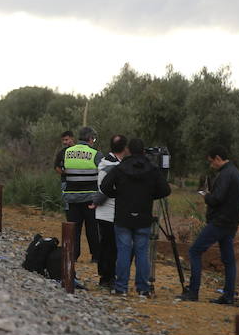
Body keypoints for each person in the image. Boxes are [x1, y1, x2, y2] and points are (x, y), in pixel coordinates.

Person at [100, 138, 170, 296]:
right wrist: (150, 196)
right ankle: (143, 288)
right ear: (143, 151)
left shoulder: (120, 168)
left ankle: (121, 287)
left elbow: (104, 186)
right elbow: (166, 190)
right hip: (143, 215)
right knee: (142, 253)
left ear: (128, 150)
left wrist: (117, 194)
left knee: (123, 251)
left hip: (123, 215)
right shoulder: (152, 169)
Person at [179, 145, 239, 305]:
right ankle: (228, 296)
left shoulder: (225, 175)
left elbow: (217, 199)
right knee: (229, 260)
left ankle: (193, 292)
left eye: (211, 162)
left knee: (195, 251)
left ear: (217, 158)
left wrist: (206, 196)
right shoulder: (237, 174)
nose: (211, 165)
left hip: (219, 222)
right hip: (231, 223)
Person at [62, 126, 103, 262]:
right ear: (90, 139)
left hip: (71, 197)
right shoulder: (95, 154)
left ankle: (73, 255)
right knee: (92, 229)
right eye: (94, 139)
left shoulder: (67, 152)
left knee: (74, 229)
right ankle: (96, 256)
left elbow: (63, 170)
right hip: (90, 198)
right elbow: (103, 174)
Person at [92, 134, 127, 290]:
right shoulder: (113, 165)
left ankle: (105, 276)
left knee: (106, 245)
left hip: (104, 212)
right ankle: (107, 278)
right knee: (110, 247)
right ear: (125, 148)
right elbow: (108, 189)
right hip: (109, 212)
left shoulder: (105, 162)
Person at [54, 130, 75, 212]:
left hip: (78, 182)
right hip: (65, 182)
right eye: (63, 140)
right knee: (67, 205)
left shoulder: (78, 150)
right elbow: (56, 166)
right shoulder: (61, 153)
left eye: (66, 140)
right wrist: (64, 173)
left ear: (72, 138)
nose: (64, 142)